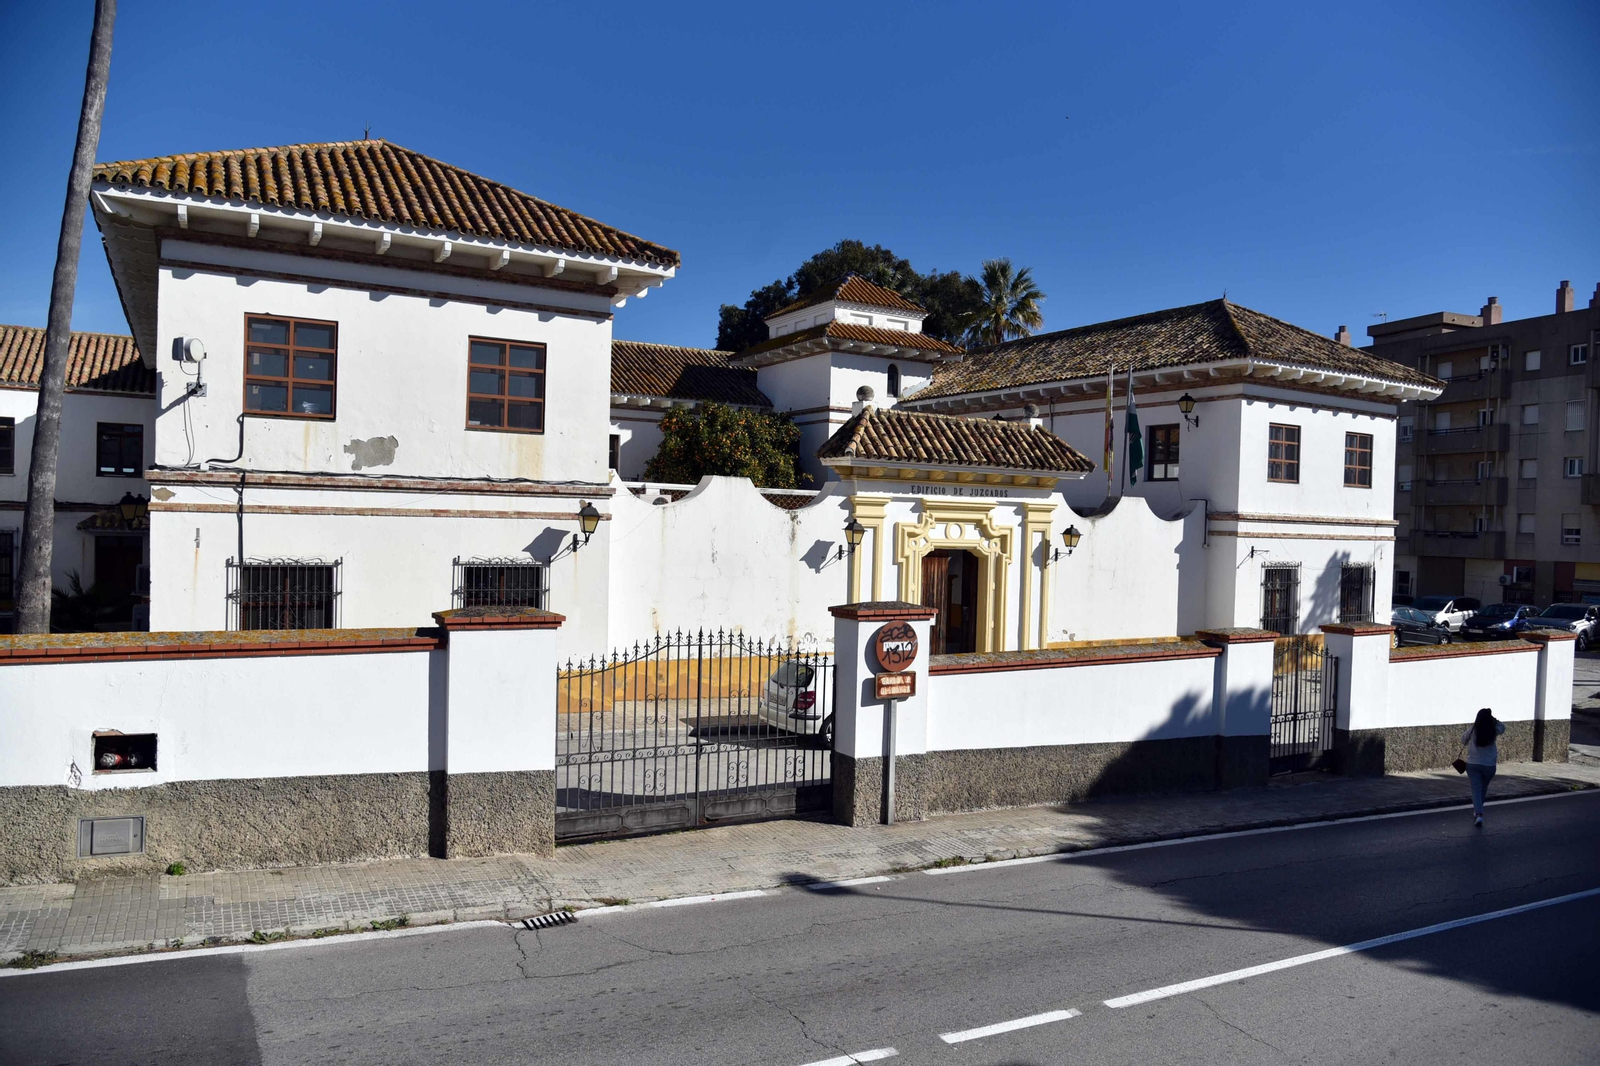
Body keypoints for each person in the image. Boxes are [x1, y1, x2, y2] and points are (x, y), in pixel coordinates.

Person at [1461, 707, 1504, 827]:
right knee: (1483, 788)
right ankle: (1478, 810)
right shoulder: (1494, 729)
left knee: (1476, 789)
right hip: (1489, 765)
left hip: (1473, 764)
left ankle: (1478, 814)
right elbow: (1503, 727)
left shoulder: (1474, 728)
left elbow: (1463, 739)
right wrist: (1494, 720)